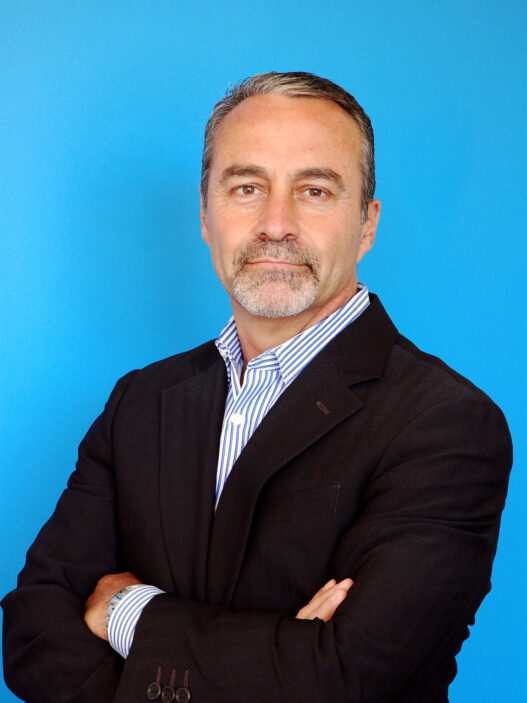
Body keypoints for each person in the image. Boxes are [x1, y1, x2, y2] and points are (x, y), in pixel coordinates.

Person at [2, 72, 512, 703]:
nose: (276, 224)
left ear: (367, 224)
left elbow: (344, 679)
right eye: (247, 187)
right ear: (205, 215)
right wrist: (278, 657)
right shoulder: (140, 401)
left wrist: (126, 611)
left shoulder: (447, 423)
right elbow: (30, 636)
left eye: (315, 190)